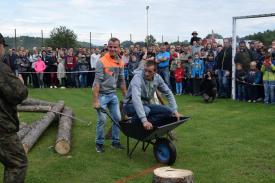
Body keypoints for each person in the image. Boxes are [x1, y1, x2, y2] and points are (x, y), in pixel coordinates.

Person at [0, 33, 28, 183]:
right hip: (2, 128)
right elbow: (18, 94)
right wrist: (19, 82)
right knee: (17, 164)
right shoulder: (1, 69)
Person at [123, 61, 181, 130]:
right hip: (130, 105)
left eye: (149, 71)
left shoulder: (157, 78)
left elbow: (168, 92)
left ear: (155, 71)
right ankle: (132, 122)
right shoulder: (137, 78)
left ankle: (146, 124)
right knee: (146, 110)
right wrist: (144, 120)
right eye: (145, 70)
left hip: (146, 105)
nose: (146, 73)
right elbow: (136, 99)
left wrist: (174, 110)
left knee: (168, 111)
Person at [93, 37, 127, 153]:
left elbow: (122, 80)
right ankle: (99, 143)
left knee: (117, 118)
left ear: (119, 48)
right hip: (102, 95)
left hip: (113, 95)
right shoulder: (101, 61)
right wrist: (96, 100)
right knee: (102, 119)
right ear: (108, 47)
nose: (112, 49)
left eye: (115, 47)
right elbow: (97, 82)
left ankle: (115, 142)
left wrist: (126, 96)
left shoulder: (121, 61)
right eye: (110, 46)